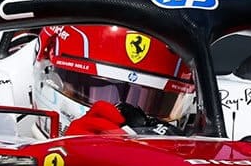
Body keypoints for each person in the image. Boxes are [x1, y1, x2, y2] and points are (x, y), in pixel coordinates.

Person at [26, 25, 199, 137]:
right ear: (48, 78)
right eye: (100, 92)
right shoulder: (2, 123)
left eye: (153, 104)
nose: (124, 121)